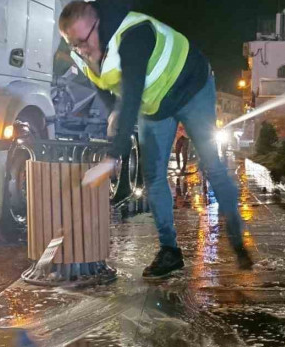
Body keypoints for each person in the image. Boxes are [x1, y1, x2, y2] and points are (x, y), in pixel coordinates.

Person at [60, 0, 253, 278]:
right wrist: (112, 113)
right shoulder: (82, 51)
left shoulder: (134, 36)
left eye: (82, 41)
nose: (80, 49)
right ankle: (170, 252)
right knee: (153, 175)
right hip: (155, 105)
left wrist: (112, 157)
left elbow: (132, 96)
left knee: (212, 164)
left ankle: (236, 236)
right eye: (72, 44)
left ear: (98, 26)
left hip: (191, 87)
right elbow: (103, 87)